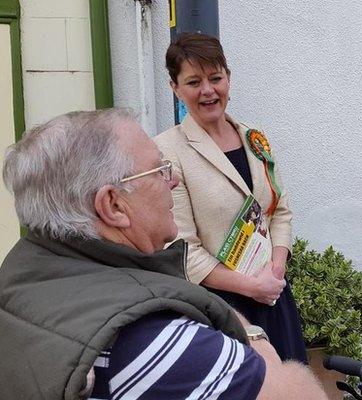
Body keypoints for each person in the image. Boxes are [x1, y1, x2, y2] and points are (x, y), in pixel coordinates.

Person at [0, 109, 327, 400]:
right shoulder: (154, 341)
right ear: (114, 206)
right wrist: (255, 339)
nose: (172, 181)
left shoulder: (19, 276)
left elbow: (277, 207)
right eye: (159, 171)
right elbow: (297, 393)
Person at [154, 33, 307, 362]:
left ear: (228, 77)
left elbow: (279, 211)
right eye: (193, 82)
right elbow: (182, 249)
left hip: (273, 296)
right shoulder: (167, 151)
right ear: (175, 87)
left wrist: (275, 272)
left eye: (216, 78)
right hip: (222, 309)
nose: (208, 91)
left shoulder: (254, 136)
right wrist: (251, 287)